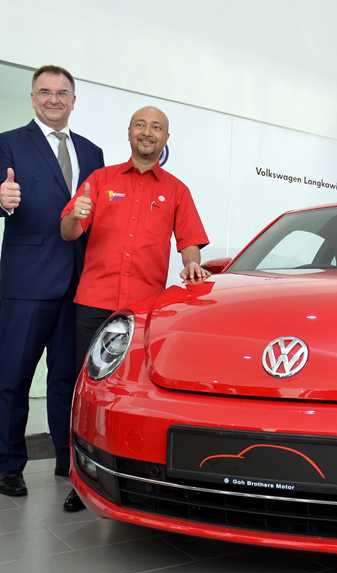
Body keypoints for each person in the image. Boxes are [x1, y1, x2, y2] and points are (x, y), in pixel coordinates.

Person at [59, 105, 210, 511]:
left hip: (143, 314)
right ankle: (80, 478)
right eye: (141, 125)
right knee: (86, 394)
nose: (148, 132)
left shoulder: (177, 190)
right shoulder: (100, 180)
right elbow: (69, 230)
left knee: (131, 396)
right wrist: (75, 216)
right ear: (129, 133)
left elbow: (190, 242)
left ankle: (133, 474)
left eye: (156, 127)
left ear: (165, 139)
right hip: (94, 302)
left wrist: (192, 263)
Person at [0, 66, 104, 506]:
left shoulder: (92, 151)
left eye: (62, 93)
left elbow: (99, 216)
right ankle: (8, 464)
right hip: (26, 282)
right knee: (13, 377)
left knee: (67, 379)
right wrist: (0, 199)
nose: (53, 99)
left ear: (74, 100)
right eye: (45, 92)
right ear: (32, 98)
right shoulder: (8, 142)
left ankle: (67, 458)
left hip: (79, 285)